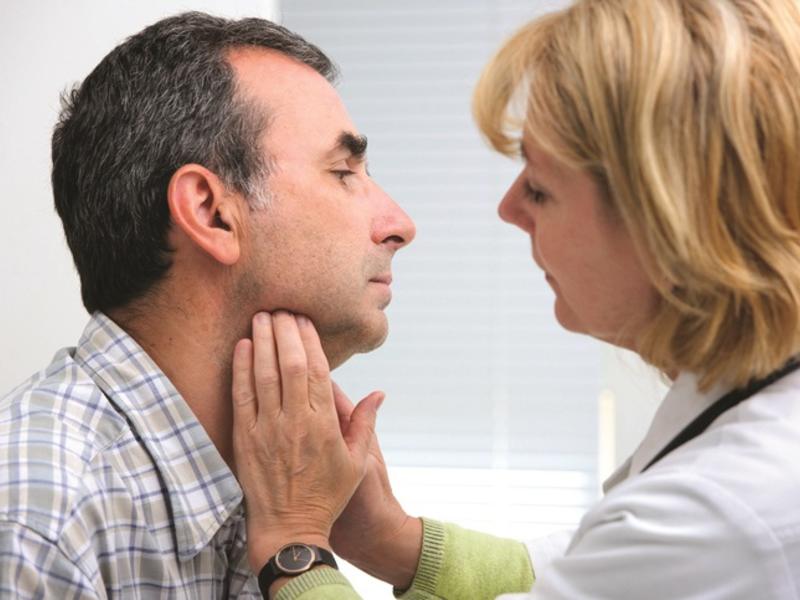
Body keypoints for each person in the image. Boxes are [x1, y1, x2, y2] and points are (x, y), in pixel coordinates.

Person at [231, 0, 800, 598]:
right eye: (343, 172)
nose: (508, 209)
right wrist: (392, 540)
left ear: (666, 220)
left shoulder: (725, 513)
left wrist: (293, 543)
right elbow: (575, 568)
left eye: (539, 188)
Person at [0, 12, 414, 598]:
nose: (401, 225)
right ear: (212, 212)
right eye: (344, 172)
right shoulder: (35, 530)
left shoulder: (278, 481)